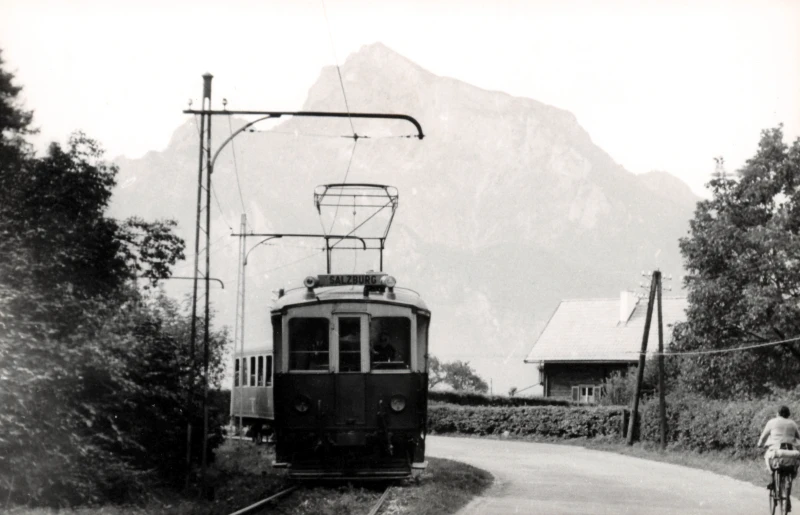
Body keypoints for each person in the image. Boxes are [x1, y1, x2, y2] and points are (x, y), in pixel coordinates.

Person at [758, 405, 800, 494]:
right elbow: (798, 437)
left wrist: (760, 444)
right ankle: (790, 479)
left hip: (776, 452)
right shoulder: (793, 423)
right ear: (788, 414)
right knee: (795, 465)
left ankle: (773, 478)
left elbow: (763, 437)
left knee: (767, 457)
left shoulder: (771, 422)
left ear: (778, 413)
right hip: (791, 453)